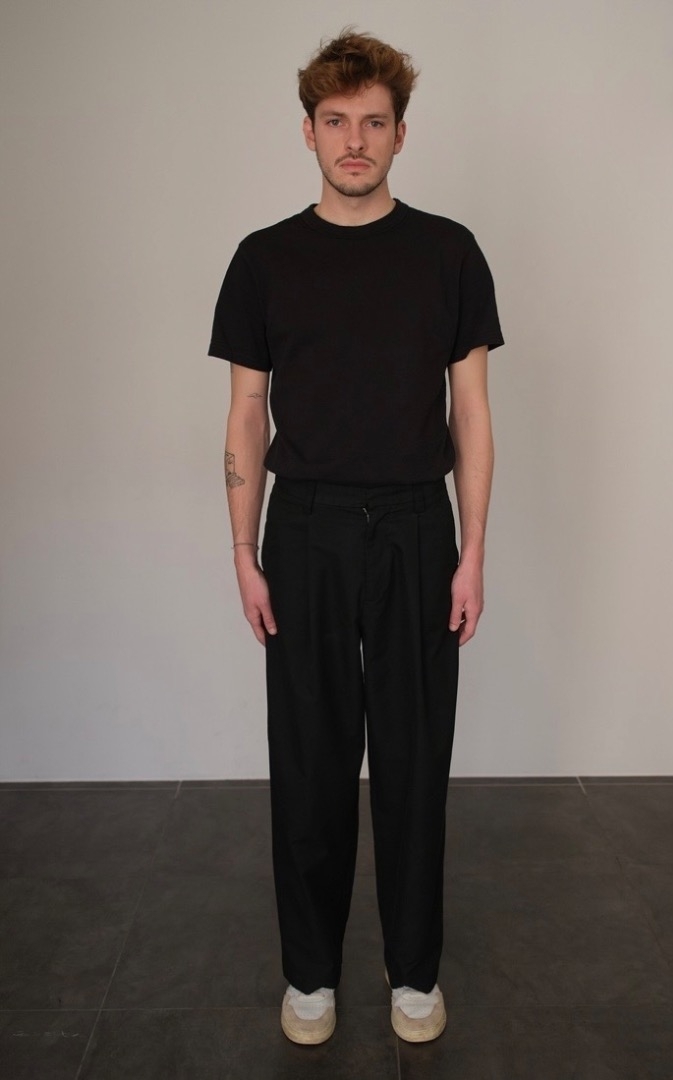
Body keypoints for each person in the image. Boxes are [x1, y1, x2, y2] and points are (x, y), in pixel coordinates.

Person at [207, 29, 504, 1046]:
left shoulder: (448, 252)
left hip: (419, 528)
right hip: (305, 530)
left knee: (415, 760)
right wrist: (242, 551)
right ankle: (310, 976)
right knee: (310, 758)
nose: (354, 140)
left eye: (373, 122)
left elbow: (472, 411)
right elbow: (248, 412)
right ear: (307, 131)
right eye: (335, 121)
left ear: (400, 134)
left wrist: (472, 549)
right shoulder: (263, 260)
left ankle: (413, 971)